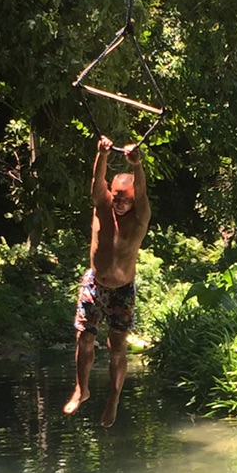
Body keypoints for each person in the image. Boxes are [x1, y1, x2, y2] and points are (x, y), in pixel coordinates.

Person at [65, 135, 151, 428]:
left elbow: (141, 194)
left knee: (117, 346)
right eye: (116, 195)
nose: (119, 202)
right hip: (94, 283)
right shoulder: (102, 206)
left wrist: (137, 164)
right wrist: (100, 154)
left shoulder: (140, 218)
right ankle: (82, 388)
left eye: (125, 199)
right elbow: (95, 181)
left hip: (123, 290)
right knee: (84, 337)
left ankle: (113, 399)